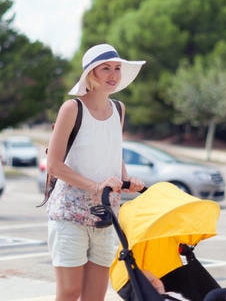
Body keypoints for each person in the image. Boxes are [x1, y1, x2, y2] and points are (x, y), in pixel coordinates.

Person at [45, 43, 146, 301]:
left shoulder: (119, 109)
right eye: (105, 69)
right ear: (91, 74)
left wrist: (127, 180)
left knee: (95, 295)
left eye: (117, 68)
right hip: (70, 213)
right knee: (69, 291)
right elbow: (55, 164)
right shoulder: (72, 109)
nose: (113, 74)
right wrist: (95, 185)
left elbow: (113, 154)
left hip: (104, 214)